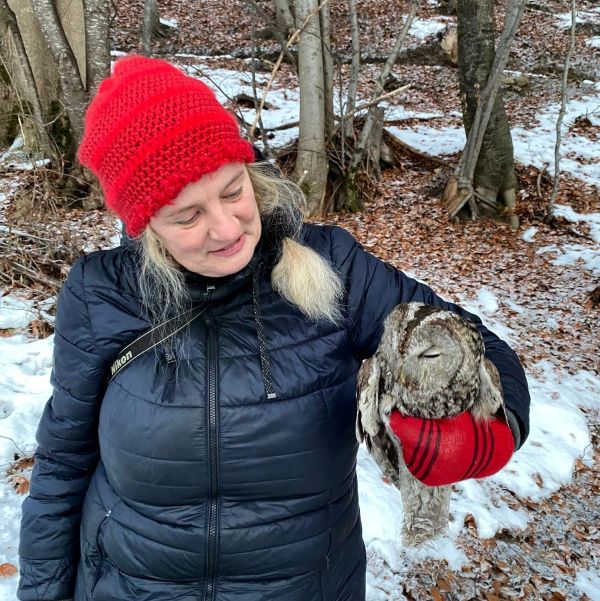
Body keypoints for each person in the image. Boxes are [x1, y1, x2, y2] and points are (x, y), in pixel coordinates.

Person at [17, 55, 530, 601]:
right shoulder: (101, 295)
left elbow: (473, 344)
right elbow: (62, 467)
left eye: (232, 191)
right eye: (187, 216)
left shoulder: (333, 268)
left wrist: (481, 428)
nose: (226, 228)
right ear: (145, 225)